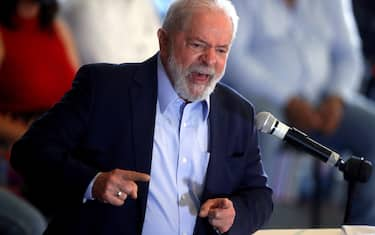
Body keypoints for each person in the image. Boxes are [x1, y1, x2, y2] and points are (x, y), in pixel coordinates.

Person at [10, 0, 273, 234]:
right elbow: (29, 152)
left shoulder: (237, 112)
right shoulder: (105, 87)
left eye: (221, 50)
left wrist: (235, 213)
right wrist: (93, 182)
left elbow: (259, 196)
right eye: (197, 45)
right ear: (164, 41)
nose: (209, 60)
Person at [224, 0, 375, 225]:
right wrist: (287, 99)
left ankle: (362, 227)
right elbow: (233, 58)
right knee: (259, 123)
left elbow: (349, 54)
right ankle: (252, 224)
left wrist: (337, 96)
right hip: (267, 100)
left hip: (324, 101)